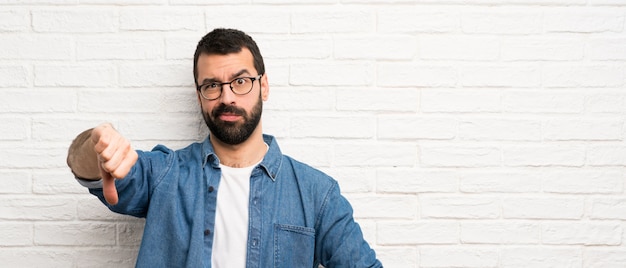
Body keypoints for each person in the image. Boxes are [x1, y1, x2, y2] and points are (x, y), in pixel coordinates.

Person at [66, 28, 382, 268]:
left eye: (240, 81)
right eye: (212, 85)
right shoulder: (166, 174)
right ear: (199, 93)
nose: (227, 97)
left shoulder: (317, 194)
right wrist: (97, 148)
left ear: (264, 85)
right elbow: (97, 169)